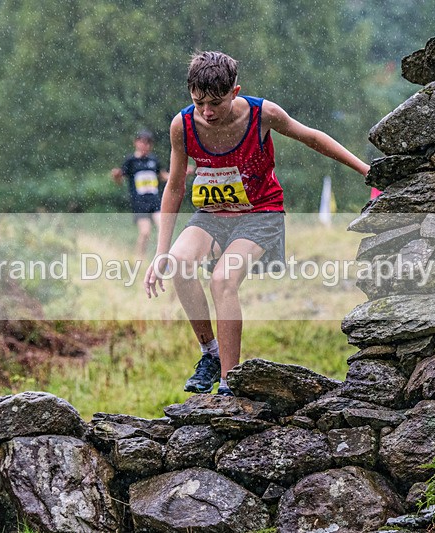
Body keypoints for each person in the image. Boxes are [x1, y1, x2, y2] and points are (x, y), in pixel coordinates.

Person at [144, 51, 370, 396]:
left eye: (216, 103)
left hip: (260, 213)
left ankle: (228, 382)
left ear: (235, 92)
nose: (207, 112)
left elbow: (312, 137)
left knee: (222, 280)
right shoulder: (183, 125)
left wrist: (366, 171)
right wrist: (160, 252)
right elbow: (174, 187)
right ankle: (210, 354)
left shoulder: (263, 114)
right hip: (212, 214)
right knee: (178, 263)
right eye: (198, 101)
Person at [111, 130, 169, 258]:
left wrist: (179, 176)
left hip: (155, 201)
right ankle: (139, 259)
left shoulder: (153, 160)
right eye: (142, 142)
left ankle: (163, 259)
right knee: (145, 232)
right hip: (139, 203)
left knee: (163, 229)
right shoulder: (130, 161)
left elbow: (163, 175)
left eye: (148, 143)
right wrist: (116, 176)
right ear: (136, 143)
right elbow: (120, 179)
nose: (145, 146)